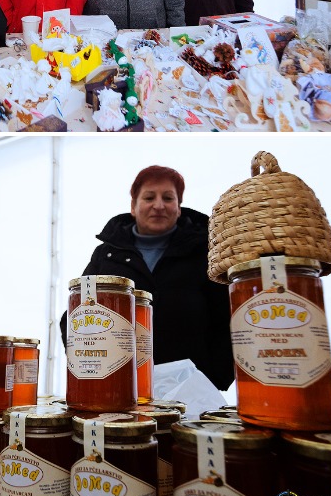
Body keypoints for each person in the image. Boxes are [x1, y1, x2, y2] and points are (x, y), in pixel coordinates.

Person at [62, 166, 233, 391]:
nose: (159, 205)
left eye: (168, 198)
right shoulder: (106, 255)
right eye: (149, 197)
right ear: (133, 206)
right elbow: (76, 315)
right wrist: (91, 369)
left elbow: (227, 317)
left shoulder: (207, 252)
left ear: (179, 208)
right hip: (120, 387)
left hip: (191, 390)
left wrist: (214, 377)